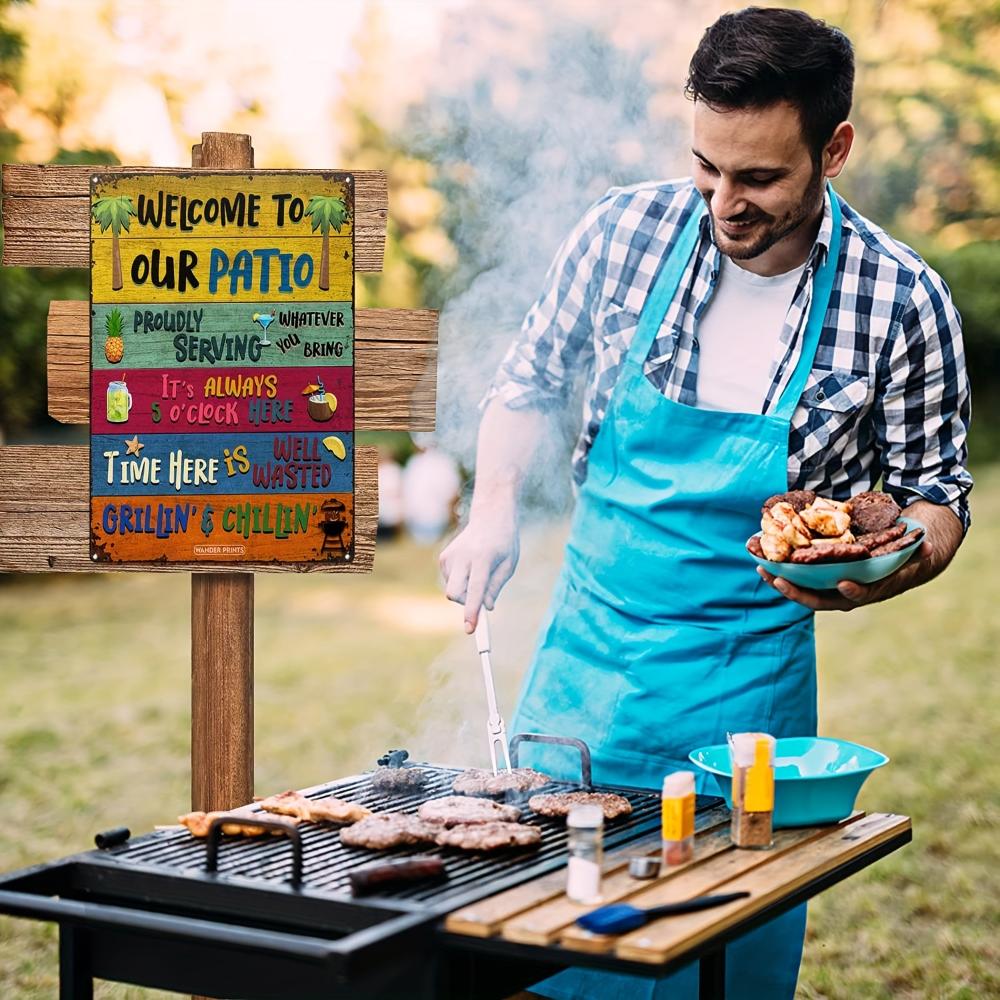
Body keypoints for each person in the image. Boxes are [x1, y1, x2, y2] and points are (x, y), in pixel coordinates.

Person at [440, 7, 972, 999]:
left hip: (744, 710)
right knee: (549, 960)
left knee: (714, 971)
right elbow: (524, 386)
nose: (723, 203)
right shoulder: (621, 232)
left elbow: (937, 498)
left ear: (834, 148)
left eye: (760, 177)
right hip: (581, 689)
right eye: (706, 167)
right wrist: (495, 506)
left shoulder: (901, 301)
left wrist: (883, 567)